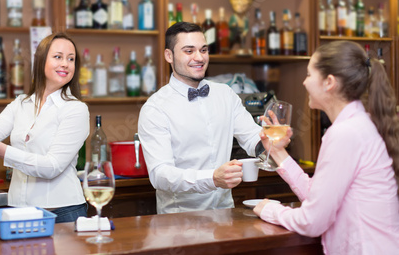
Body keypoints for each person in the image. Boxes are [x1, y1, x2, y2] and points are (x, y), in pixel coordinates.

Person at [253, 41, 399, 254]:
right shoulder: (355, 125)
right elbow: (318, 197)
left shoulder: (346, 133)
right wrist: (276, 151)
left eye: (309, 74)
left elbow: (312, 221)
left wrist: (271, 210)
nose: (304, 82)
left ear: (329, 82)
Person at [0, 32, 90, 223]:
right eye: (58, 57)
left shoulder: (76, 109)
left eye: (71, 59)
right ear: (40, 61)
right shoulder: (21, 104)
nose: (65, 63)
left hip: (63, 214)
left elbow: (52, 167)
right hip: (19, 213)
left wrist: (0, 150)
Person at [138, 22, 263, 214]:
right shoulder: (155, 108)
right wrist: (212, 178)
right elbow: (161, 175)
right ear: (169, 56)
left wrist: (271, 139)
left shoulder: (226, 95)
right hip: (179, 222)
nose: (199, 57)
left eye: (203, 50)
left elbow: (252, 138)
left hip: (224, 215)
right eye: (189, 51)